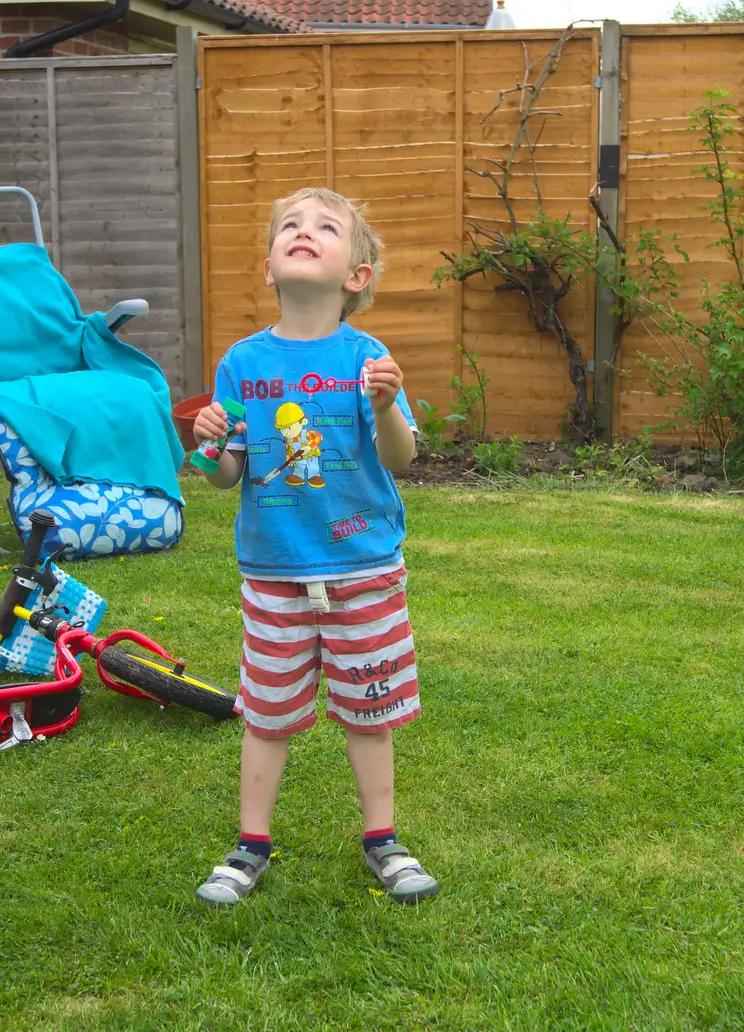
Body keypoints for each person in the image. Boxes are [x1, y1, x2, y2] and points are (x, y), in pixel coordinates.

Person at [189, 187, 438, 906]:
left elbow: (401, 461)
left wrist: (387, 407)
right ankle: (249, 847)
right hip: (274, 577)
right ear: (269, 267)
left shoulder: (368, 359)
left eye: (326, 227)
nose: (304, 232)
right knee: (266, 715)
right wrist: (206, 447)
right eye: (290, 226)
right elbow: (224, 474)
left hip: (365, 572)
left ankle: (383, 841)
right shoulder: (241, 363)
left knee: (371, 710)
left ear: (356, 274)